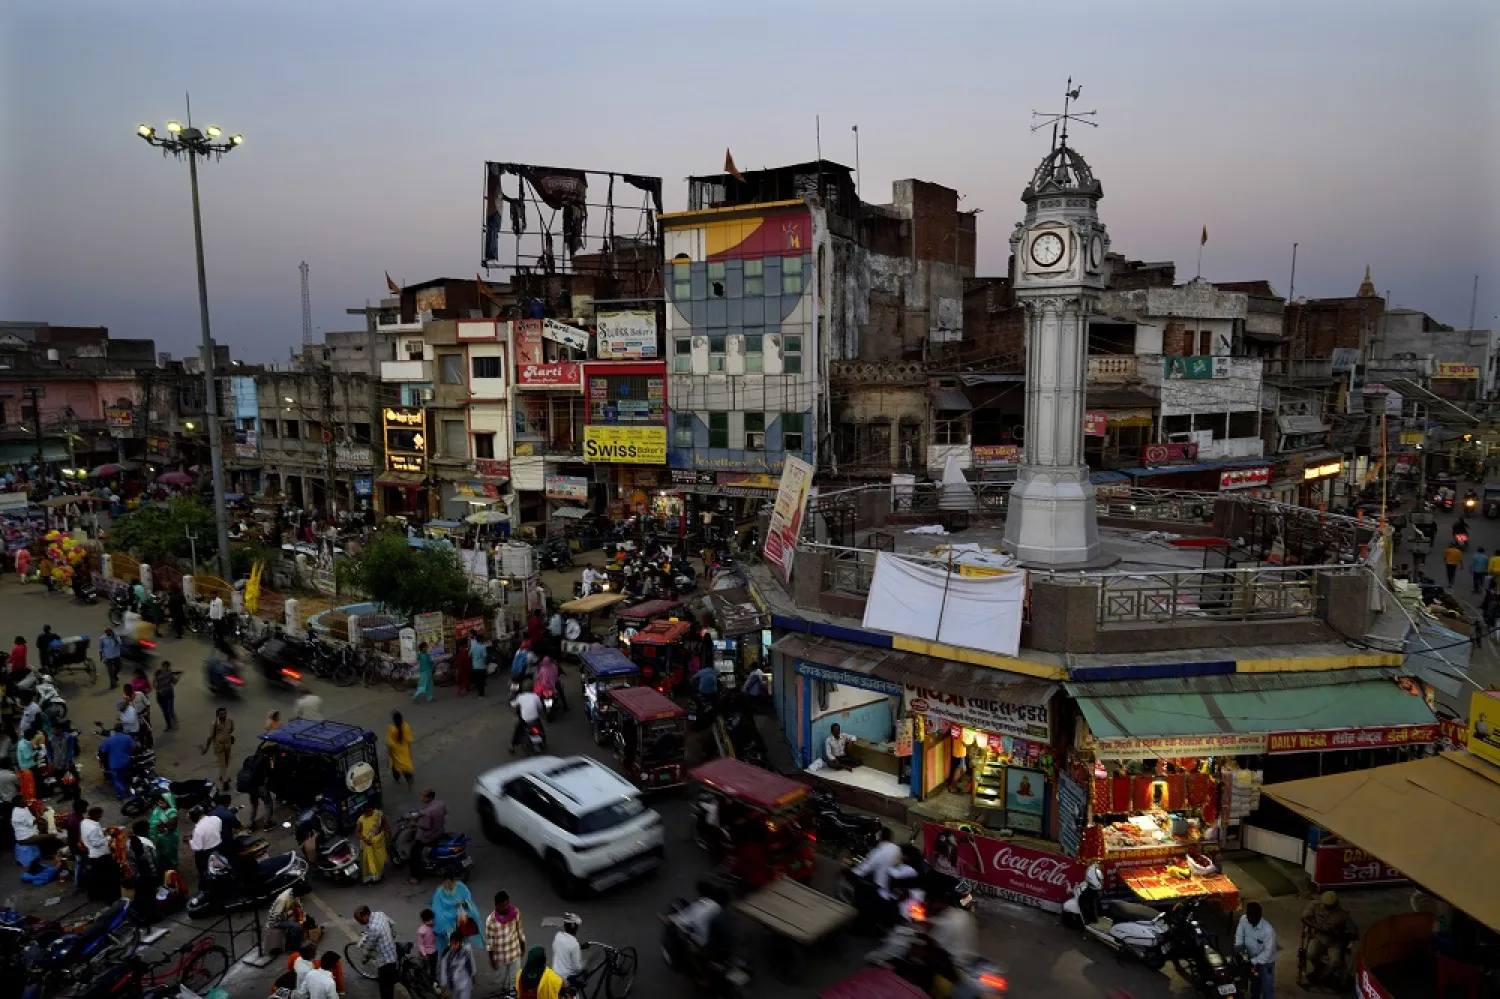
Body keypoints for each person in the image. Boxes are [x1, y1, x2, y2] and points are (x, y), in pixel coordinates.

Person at [1301, 890, 1358, 985]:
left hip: (1335, 941)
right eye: (1326, 906)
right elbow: (1305, 918)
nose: (1328, 908)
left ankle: (1326, 975)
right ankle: (1319, 969)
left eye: (1330, 907)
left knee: (1335, 962)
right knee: (1310, 955)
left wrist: (1341, 935)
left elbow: (1354, 932)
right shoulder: (1316, 905)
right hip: (1319, 936)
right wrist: (1320, 928)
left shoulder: (1343, 913)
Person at [354, 905, 400, 999]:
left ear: (366, 915)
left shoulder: (373, 928)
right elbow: (391, 923)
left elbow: (370, 944)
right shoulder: (380, 914)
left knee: (385, 985)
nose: (359, 922)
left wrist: (365, 950)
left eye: (360, 919)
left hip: (386, 959)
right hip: (391, 946)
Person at [484, 889, 528, 987]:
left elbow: (520, 932)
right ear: (497, 906)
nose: (507, 907)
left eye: (507, 903)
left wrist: (523, 947)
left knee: (515, 981)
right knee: (501, 982)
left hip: (514, 953)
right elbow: (490, 944)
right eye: (503, 905)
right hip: (500, 957)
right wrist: (492, 960)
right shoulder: (490, 921)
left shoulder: (516, 912)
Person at [1235, 900, 1277, 999]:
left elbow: (1268, 952)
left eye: (1252, 916)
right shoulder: (1244, 919)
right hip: (1251, 957)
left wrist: (1252, 962)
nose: (1249, 918)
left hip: (1266, 962)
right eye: (1248, 915)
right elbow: (1240, 934)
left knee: (1267, 988)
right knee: (1255, 984)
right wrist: (1239, 948)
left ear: (1259, 916)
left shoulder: (1268, 931)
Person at [407, 789, 447, 883]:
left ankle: (414, 877)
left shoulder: (427, 812)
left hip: (430, 836)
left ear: (430, 797)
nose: (422, 799)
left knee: (414, 853)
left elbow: (426, 827)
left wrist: (415, 824)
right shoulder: (441, 804)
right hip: (440, 831)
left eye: (424, 797)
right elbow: (444, 814)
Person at [81, 805, 119, 901]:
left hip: (91, 853)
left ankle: (96, 895)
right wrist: (110, 837)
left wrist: (103, 831)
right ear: (95, 815)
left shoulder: (84, 822)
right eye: (100, 816)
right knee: (107, 876)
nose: (101, 817)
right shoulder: (93, 828)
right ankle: (110, 897)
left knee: (97, 876)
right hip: (99, 855)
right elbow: (96, 843)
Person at [127, 819, 160, 924]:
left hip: (137, 875)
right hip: (147, 876)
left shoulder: (128, 843)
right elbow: (151, 862)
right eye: (147, 830)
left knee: (140, 895)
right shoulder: (145, 845)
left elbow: (130, 862)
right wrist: (155, 875)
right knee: (149, 897)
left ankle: (139, 914)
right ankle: (151, 917)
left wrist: (135, 874)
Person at [430, 876, 476, 949]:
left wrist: (464, 902)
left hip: (459, 919)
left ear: (453, 881)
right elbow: (436, 907)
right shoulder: (439, 892)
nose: (447, 885)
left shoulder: (461, 888)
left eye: (449, 883)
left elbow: (469, 901)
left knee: (462, 940)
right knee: (448, 943)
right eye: (445, 883)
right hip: (447, 922)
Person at [98, 724, 136, 798]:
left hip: (114, 764)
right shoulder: (127, 738)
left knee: (116, 779)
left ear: (114, 730)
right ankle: (126, 789)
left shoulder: (109, 739)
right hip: (126, 762)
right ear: (123, 729)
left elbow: (103, 750)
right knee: (123, 777)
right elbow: (134, 747)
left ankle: (122, 794)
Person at [356, 802, 390, 884]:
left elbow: (385, 825)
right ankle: (373, 877)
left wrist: (388, 834)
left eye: (371, 811)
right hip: (367, 844)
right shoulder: (361, 820)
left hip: (378, 841)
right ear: (364, 812)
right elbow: (357, 832)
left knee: (381, 859)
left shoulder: (378, 814)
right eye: (367, 812)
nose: (370, 813)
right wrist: (365, 839)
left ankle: (379, 874)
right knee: (369, 862)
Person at [509, 679, 545, 754]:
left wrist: (511, 701)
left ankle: (512, 746)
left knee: (518, 730)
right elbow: (540, 707)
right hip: (535, 719)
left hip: (525, 720)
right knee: (541, 729)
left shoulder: (520, 697)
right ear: (533, 688)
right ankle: (543, 742)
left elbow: (513, 704)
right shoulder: (536, 696)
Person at [550, 913, 585, 989]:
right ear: (574, 927)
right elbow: (577, 968)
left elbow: (560, 948)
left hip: (554, 974)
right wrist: (584, 965)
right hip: (566, 979)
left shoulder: (558, 936)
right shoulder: (574, 944)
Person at [438, 932, 478, 999]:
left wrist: (473, 976)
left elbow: (471, 963)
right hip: (453, 983)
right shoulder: (447, 954)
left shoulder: (467, 950)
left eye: (455, 944)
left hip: (465, 982)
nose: (453, 946)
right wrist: (443, 985)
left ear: (460, 942)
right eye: (452, 943)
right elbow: (443, 970)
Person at [203, 707, 235, 788]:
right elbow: (210, 737)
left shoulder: (230, 721)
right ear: (217, 715)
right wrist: (206, 748)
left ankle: (222, 776)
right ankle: (225, 782)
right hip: (219, 746)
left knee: (226, 762)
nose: (224, 715)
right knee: (223, 764)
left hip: (228, 745)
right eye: (222, 714)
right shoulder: (214, 724)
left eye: (225, 713)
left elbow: (231, 730)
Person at [188, 805, 222, 881]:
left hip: (205, 854)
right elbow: (219, 830)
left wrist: (190, 841)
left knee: (204, 870)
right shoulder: (216, 819)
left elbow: (197, 847)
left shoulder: (198, 829)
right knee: (218, 866)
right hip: (218, 848)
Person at [149, 791, 179, 874]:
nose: (159, 804)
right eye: (159, 802)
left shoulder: (172, 812)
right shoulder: (158, 809)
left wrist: (164, 830)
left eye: (162, 803)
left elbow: (173, 826)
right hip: (158, 837)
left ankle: (172, 870)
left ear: (169, 802)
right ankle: (163, 869)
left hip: (168, 838)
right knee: (159, 854)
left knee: (169, 854)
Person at [387, 711, 415, 789]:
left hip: (395, 751)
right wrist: (409, 750)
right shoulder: (406, 726)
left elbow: (390, 743)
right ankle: (408, 777)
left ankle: (397, 778)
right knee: (405, 765)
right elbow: (409, 739)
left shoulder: (392, 729)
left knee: (394, 766)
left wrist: (390, 753)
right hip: (404, 749)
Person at [153, 661, 181, 731]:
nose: (165, 669)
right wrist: (158, 690)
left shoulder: (170, 674)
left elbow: (174, 683)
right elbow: (154, 683)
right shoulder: (158, 673)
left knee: (170, 709)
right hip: (160, 695)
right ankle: (169, 724)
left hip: (169, 693)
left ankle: (172, 722)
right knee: (165, 710)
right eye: (164, 667)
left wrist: (177, 678)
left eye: (166, 667)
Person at [417, 909, 439, 981]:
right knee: (424, 968)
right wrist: (424, 954)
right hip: (426, 953)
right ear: (424, 921)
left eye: (431, 919)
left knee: (433, 967)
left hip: (434, 951)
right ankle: (420, 980)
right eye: (428, 920)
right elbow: (421, 944)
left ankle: (433, 981)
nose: (430, 922)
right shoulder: (421, 930)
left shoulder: (435, 927)